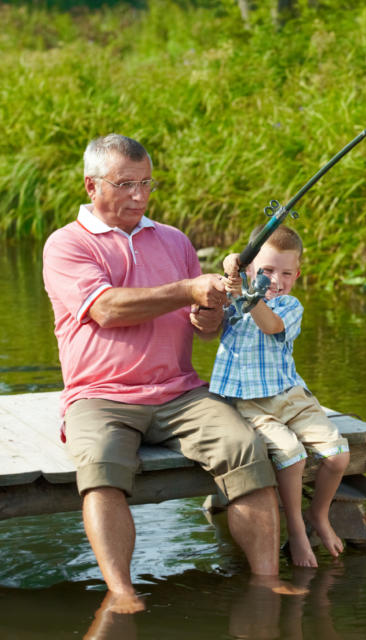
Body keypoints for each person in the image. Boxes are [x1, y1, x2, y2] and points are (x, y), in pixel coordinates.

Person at [42, 134, 290, 615]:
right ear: (92, 185)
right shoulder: (66, 245)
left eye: (146, 183)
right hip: (100, 395)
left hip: (180, 392)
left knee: (245, 447)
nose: (139, 195)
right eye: (126, 184)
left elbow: (203, 327)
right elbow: (108, 309)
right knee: (100, 468)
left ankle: (267, 581)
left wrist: (208, 311)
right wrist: (187, 289)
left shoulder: (173, 240)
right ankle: (122, 592)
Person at [210, 225, 350, 568]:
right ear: (252, 269)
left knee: (338, 455)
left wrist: (248, 291)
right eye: (268, 270)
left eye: (286, 273)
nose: (276, 279)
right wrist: (231, 271)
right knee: (292, 454)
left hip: (291, 396)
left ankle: (318, 515)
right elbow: (209, 313)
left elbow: (270, 325)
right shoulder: (233, 300)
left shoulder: (290, 306)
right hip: (250, 404)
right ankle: (298, 531)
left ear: (297, 275)